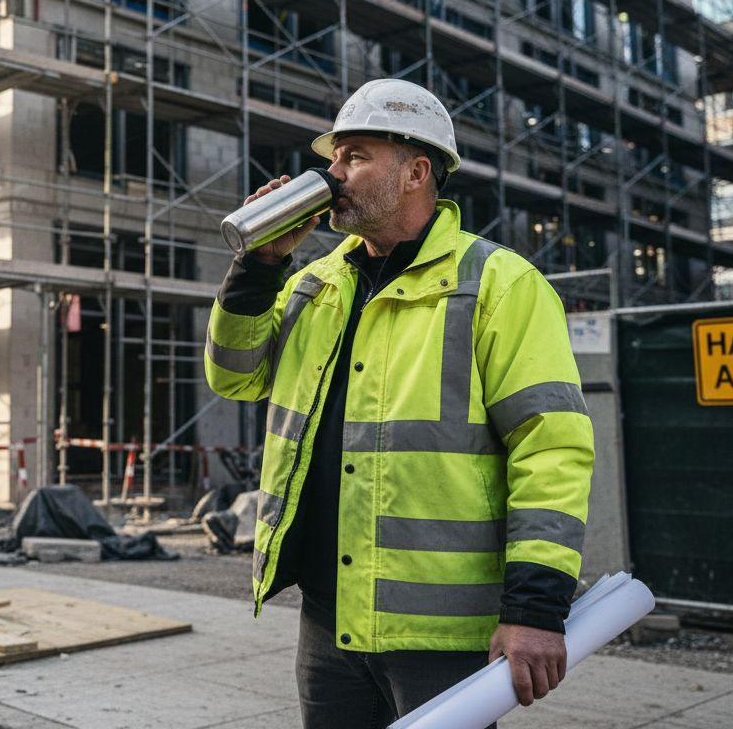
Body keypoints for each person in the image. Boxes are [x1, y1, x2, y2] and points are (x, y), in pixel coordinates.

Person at [203, 78, 594, 727]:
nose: (332, 173)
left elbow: (551, 450)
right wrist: (257, 268)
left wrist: (534, 609)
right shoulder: (313, 285)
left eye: (354, 156)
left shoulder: (498, 284)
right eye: (334, 157)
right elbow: (235, 378)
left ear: (416, 172)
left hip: (442, 636)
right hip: (330, 620)